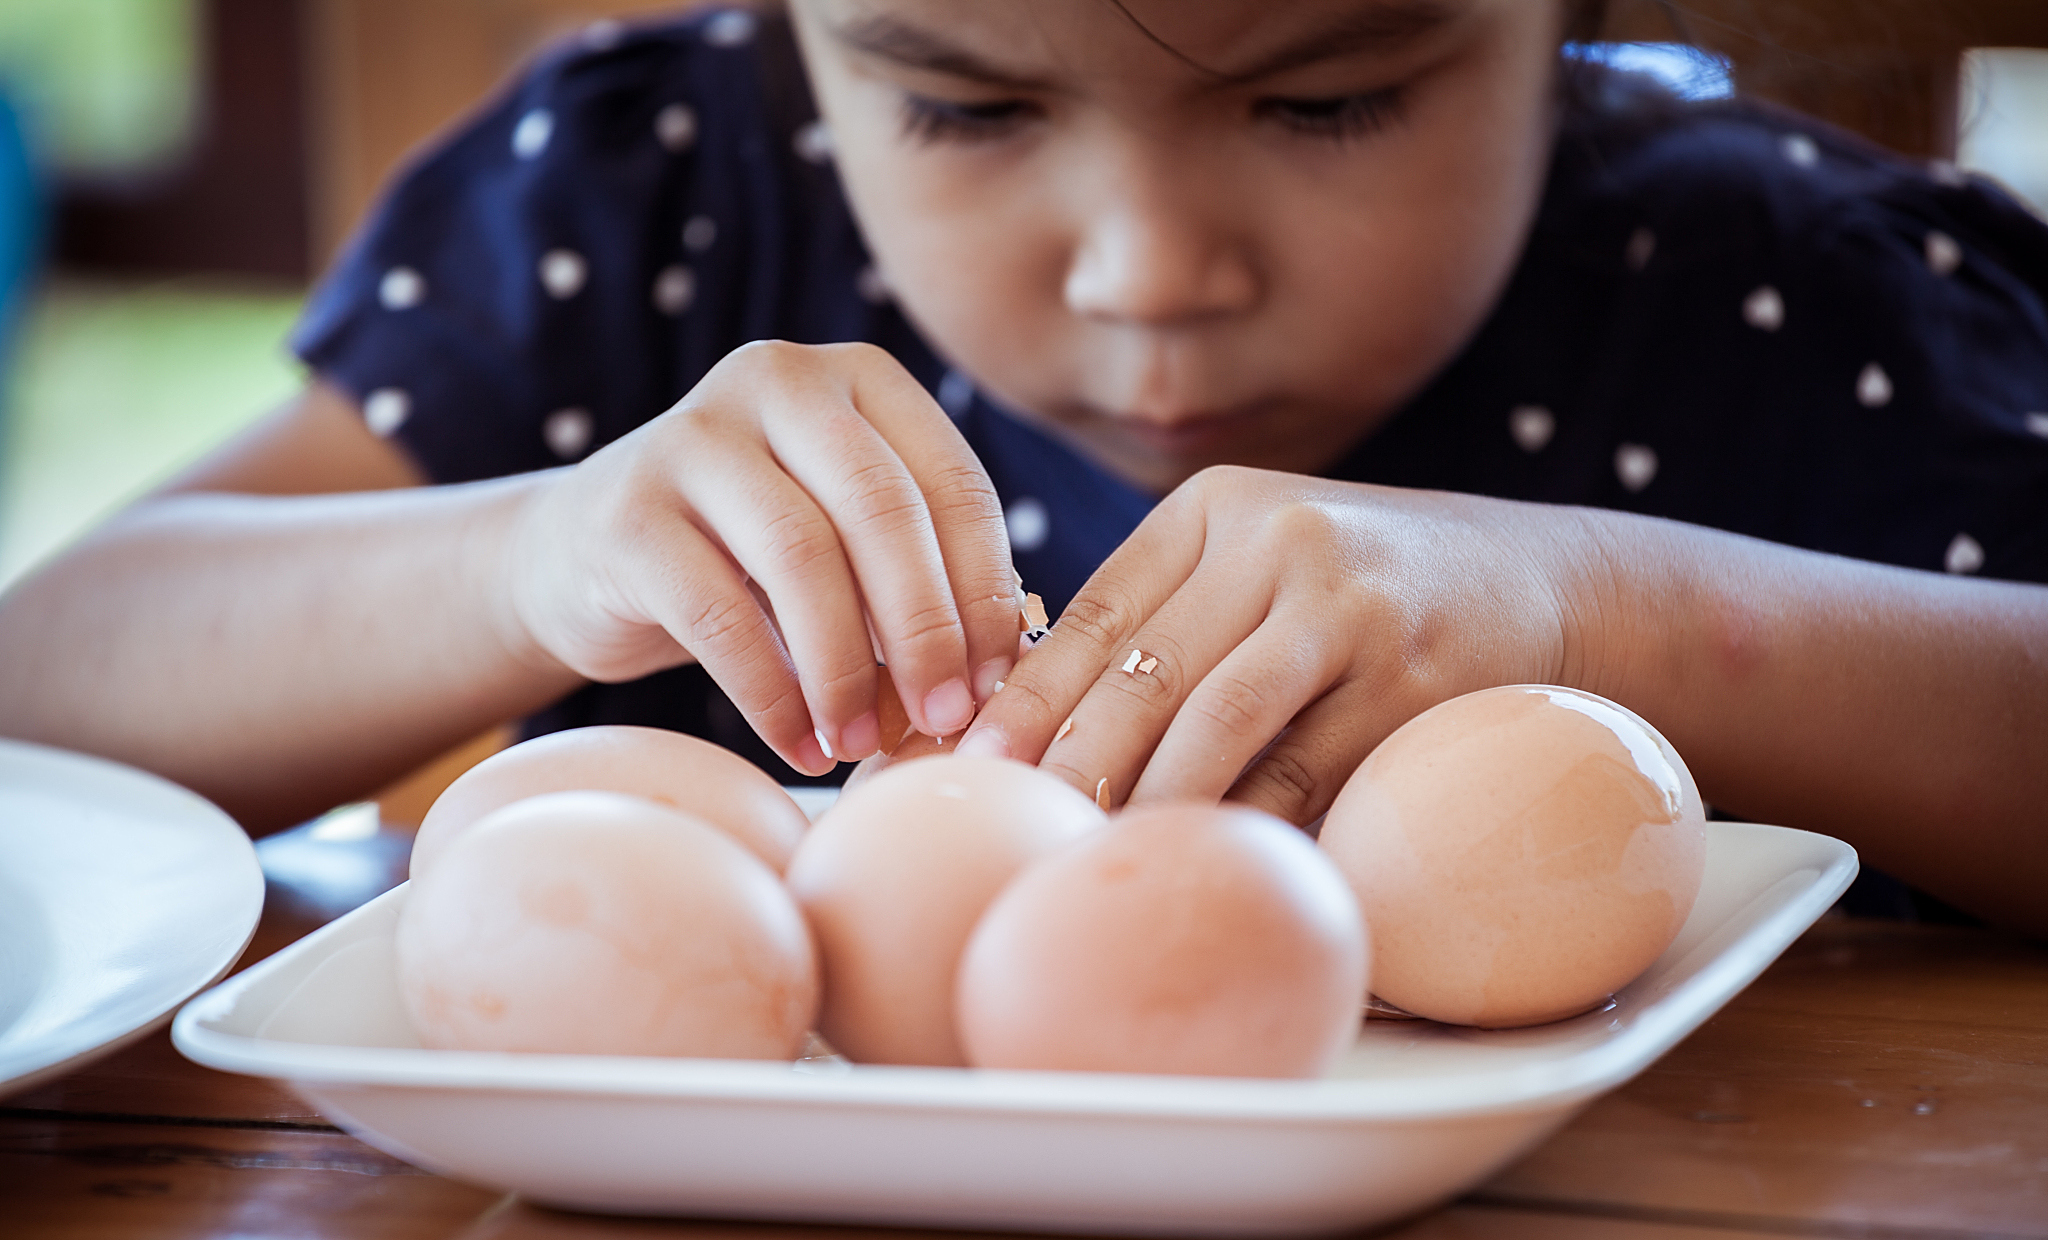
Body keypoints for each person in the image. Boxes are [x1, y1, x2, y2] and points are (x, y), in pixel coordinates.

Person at [0, 0, 2043, 929]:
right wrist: (519, 553)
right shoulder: (661, 210)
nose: (1150, 273)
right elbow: (43, 683)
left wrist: (1631, 614)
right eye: (963, 109)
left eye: (1328, 100)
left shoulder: (1774, 297)